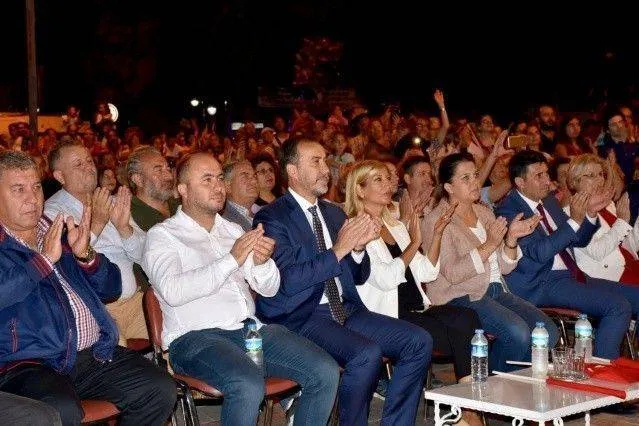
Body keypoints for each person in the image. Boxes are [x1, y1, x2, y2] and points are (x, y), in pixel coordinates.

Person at [142, 153, 339, 426]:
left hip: (250, 332)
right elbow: (173, 291)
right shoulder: (162, 236)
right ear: (183, 189)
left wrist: (262, 262)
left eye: (219, 178)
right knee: (247, 383)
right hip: (197, 339)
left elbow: (269, 288)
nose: (218, 186)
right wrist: (231, 259)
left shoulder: (232, 230)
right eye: (207, 179)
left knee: (325, 371)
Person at [254, 138, 432, 426]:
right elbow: (287, 281)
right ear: (293, 171)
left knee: (418, 341)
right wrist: (339, 250)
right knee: (366, 355)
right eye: (316, 162)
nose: (326, 169)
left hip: (345, 308)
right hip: (304, 314)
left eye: (325, 161)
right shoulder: (273, 217)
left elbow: (358, 275)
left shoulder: (334, 213)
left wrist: (358, 249)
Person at [0, 151, 176, 425]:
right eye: (18, 189)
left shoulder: (58, 230)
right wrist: (43, 261)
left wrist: (86, 256)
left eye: (36, 187)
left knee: (159, 388)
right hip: (29, 362)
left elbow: (111, 288)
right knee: (61, 411)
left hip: (89, 353)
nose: (32, 198)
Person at [344, 160, 483, 425]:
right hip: (388, 314)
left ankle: (468, 409)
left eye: (387, 179)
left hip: (418, 307)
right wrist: (415, 242)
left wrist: (437, 234)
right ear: (360, 190)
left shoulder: (395, 227)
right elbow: (385, 278)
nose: (387, 185)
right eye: (378, 180)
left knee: (468, 319)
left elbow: (426, 272)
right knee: (456, 335)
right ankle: (469, 412)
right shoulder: (356, 228)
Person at [423, 153, 559, 372]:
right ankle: (494, 384)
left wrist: (511, 239)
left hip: (496, 290)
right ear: (448, 187)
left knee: (548, 333)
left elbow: (505, 267)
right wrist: (489, 245)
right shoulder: (437, 221)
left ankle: (517, 382)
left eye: (475, 175)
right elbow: (453, 273)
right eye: (465, 178)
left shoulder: (484, 212)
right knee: (518, 334)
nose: (475, 182)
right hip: (461, 296)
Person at [496, 150, 637, 359]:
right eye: (539, 176)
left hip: (571, 275)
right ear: (520, 182)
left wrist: (589, 215)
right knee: (617, 307)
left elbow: (578, 240)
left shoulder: (549, 202)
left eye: (546, 173)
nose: (547, 181)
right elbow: (539, 253)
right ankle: (602, 370)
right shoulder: (509, 211)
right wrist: (575, 220)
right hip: (541, 283)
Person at [44, 140, 148, 347]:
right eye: (78, 164)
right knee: (122, 360)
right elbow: (69, 263)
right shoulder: (53, 212)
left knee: (175, 335)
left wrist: (124, 229)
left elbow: (145, 254)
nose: (88, 167)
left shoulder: (110, 200)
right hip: (96, 309)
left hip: (135, 301)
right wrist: (98, 223)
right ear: (60, 176)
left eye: (89, 161)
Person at [564, 154, 639, 285]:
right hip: (608, 277)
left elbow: (627, 246)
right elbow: (597, 252)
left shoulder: (607, 204)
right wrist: (622, 222)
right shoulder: (571, 213)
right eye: (591, 175)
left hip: (628, 265)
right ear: (575, 181)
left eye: (600, 174)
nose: (600, 180)